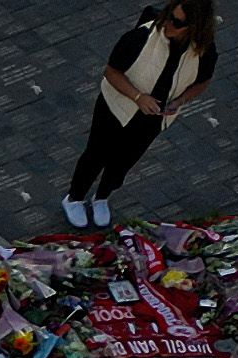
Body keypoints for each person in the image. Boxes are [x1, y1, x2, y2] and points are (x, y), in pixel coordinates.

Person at [65, 0, 214, 230]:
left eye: (177, 22)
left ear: (194, 27)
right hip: (115, 107)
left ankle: (102, 197)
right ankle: (74, 198)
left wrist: (179, 101)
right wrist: (138, 97)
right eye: (168, 15)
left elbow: (202, 81)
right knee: (96, 154)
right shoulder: (142, 37)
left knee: (124, 161)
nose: (168, 24)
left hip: (153, 118)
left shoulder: (203, 51)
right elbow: (111, 72)